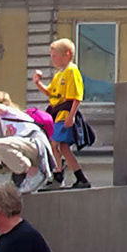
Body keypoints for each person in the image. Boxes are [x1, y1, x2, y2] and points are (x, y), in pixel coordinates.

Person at [33, 39, 90, 189]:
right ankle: (79, 178)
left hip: (65, 114)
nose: (52, 59)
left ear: (67, 55)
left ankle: (58, 175)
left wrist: (71, 116)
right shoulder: (59, 74)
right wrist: (38, 83)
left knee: (54, 144)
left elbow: (76, 96)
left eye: (55, 55)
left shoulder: (72, 71)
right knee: (62, 147)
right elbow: (50, 93)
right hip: (57, 114)